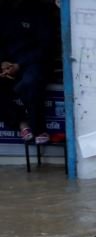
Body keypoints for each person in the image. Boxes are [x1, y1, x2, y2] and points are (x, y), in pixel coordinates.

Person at [0, 0, 55, 144]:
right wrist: (3, 63)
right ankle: (21, 123)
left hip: (33, 63)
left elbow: (46, 47)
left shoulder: (39, 12)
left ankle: (38, 129)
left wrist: (19, 65)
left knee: (30, 82)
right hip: (9, 64)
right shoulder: (4, 12)